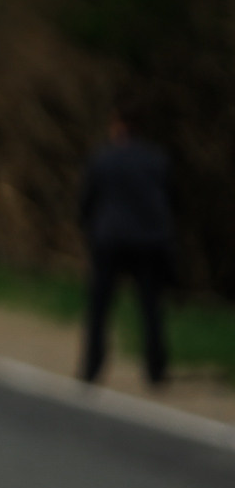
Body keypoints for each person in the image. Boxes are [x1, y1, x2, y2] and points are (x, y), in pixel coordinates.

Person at [78, 106, 175, 386]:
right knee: (150, 309)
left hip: (109, 241)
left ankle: (91, 368)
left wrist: (89, 231)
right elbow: (172, 201)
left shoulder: (102, 159)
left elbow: (86, 202)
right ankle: (156, 370)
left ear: (115, 127)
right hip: (148, 242)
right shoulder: (156, 160)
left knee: (99, 308)